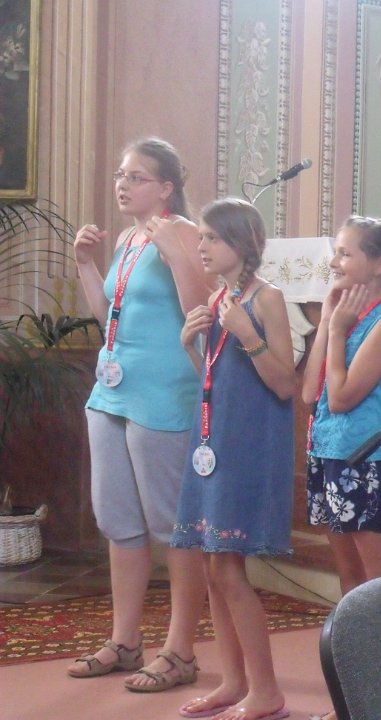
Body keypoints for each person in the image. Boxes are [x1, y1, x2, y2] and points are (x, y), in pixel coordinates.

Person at [69, 138, 210, 692]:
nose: (122, 185)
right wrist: (85, 263)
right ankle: (125, 642)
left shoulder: (184, 233)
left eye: (136, 177)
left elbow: (199, 311)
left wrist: (178, 255)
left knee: (172, 528)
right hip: (112, 391)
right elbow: (110, 315)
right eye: (120, 175)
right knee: (119, 521)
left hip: (163, 393)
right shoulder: (129, 238)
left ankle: (180, 651)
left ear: (166, 187)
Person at [172, 197, 296, 720]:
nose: (200, 246)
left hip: (250, 445)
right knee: (210, 565)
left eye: (211, 238)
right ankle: (233, 681)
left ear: (242, 244)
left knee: (227, 567)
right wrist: (191, 347)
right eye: (200, 236)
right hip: (213, 441)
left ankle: (266, 692)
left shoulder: (268, 299)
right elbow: (219, 381)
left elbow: (285, 384)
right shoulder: (219, 296)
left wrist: (246, 334)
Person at [302, 216, 381, 596]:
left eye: (344, 254)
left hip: (369, 462)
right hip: (330, 454)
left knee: (380, 587)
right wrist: (328, 322)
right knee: (351, 577)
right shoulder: (342, 317)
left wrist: (337, 331)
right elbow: (309, 394)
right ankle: (352, 639)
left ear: (380, 264)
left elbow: (341, 399)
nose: (333, 263)